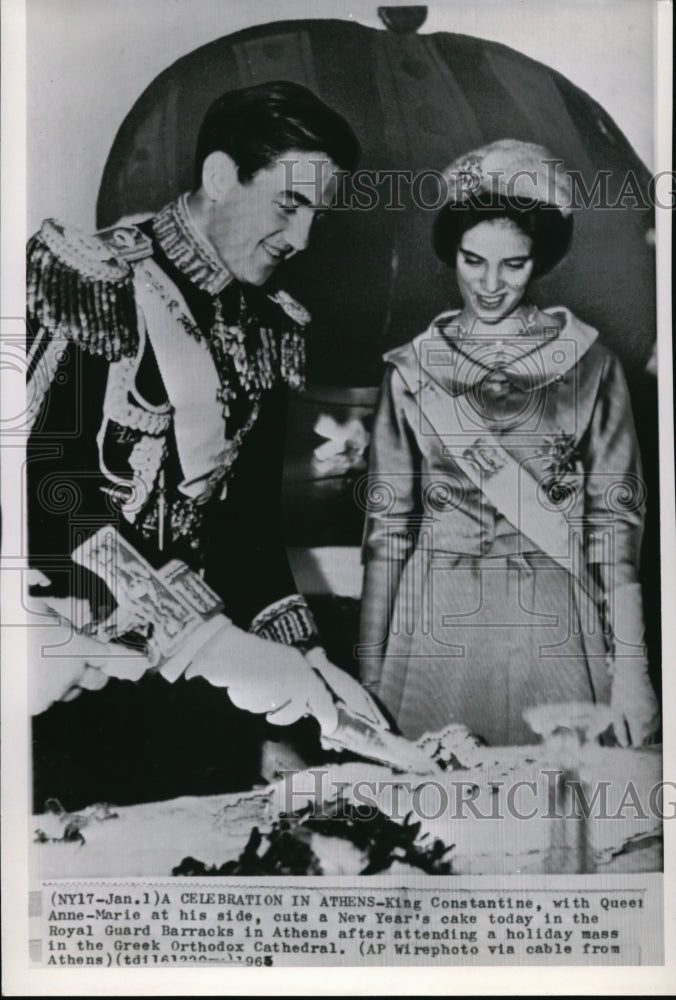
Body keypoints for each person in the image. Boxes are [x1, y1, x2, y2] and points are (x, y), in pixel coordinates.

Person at [26, 81, 366, 807]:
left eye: (318, 216)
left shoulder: (270, 327)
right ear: (220, 176)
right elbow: (48, 497)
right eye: (288, 203)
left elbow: (247, 529)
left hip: (195, 690)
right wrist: (210, 642)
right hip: (65, 671)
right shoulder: (100, 280)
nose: (302, 240)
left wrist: (306, 659)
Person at [359, 139, 660, 747]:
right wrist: (367, 677)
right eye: (473, 261)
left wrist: (633, 671)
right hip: (433, 628)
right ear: (451, 252)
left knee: (564, 812)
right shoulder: (412, 371)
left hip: (554, 618)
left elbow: (614, 528)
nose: (490, 286)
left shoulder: (591, 364)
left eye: (513, 265)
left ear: (540, 261)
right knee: (429, 818)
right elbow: (386, 534)